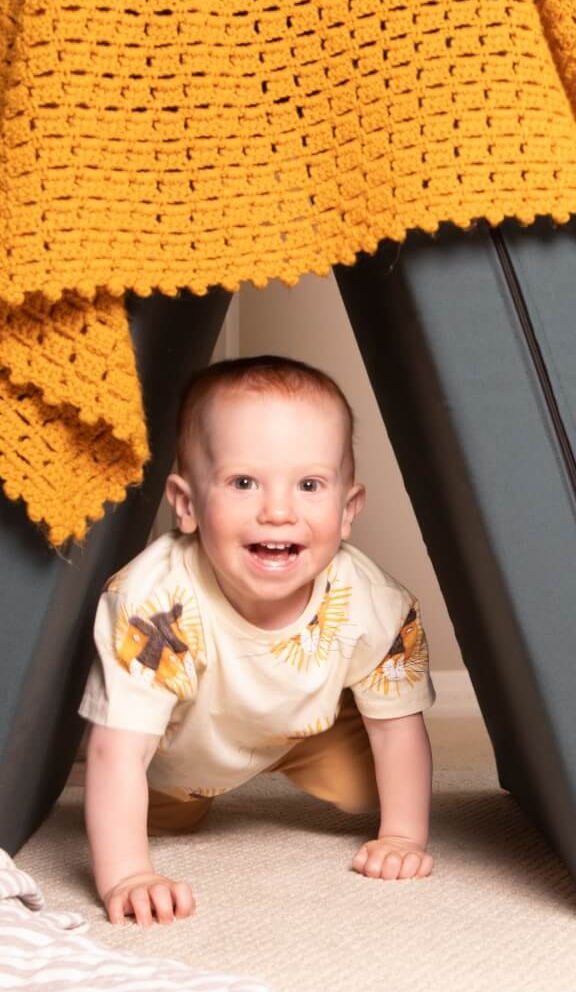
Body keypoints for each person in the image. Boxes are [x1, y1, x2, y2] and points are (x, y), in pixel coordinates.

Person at [80, 355, 436, 926]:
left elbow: (398, 730)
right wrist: (129, 874)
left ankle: (335, 776)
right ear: (188, 504)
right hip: (180, 751)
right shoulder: (155, 602)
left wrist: (403, 837)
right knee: (143, 815)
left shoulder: (374, 603)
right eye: (244, 483)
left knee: (376, 793)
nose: (277, 511)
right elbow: (117, 751)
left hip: (307, 730)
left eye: (310, 485)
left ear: (348, 512)